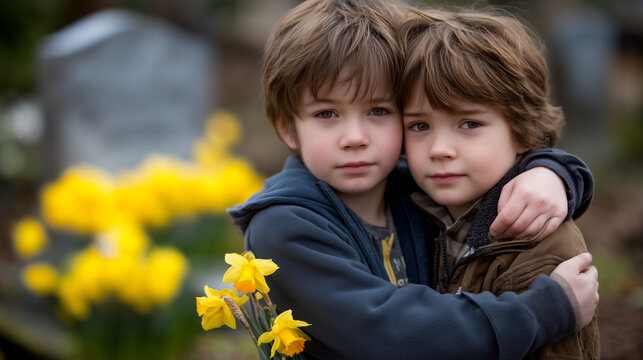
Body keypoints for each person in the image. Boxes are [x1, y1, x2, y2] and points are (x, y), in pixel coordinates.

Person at [227, 0, 598, 359]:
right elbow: (388, 334)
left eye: (378, 110)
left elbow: (501, 163)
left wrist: (553, 173)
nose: (354, 137)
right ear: (288, 129)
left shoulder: (419, 190)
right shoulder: (284, 227)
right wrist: (540, 312)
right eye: (326, 113)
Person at [399, 7, 599, 359]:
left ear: (520, 131)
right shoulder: (408, 210)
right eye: (419, 126)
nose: (439, 149)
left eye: (469, 124)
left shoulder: (538, 240)